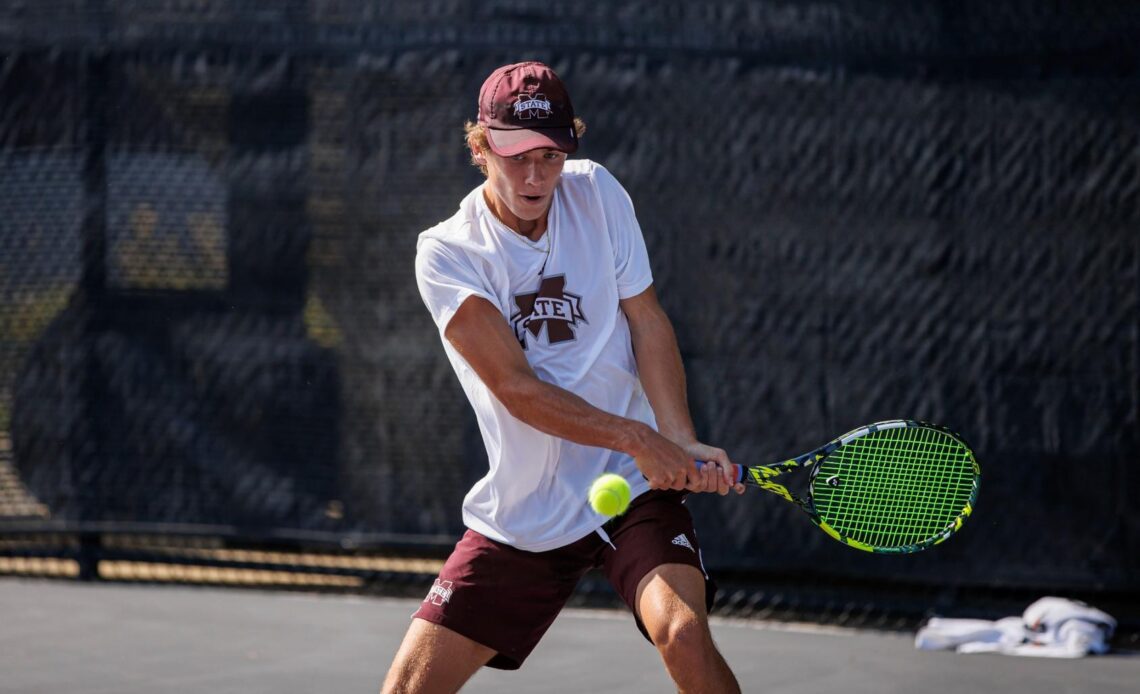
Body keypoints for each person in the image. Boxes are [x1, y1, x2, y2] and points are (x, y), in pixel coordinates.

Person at [383, 61, 744, 694]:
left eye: (549, 155)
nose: (533, 174)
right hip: (528, 508)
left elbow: (646, 319)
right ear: (481, 147)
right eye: (515, 154)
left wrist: (678, 438)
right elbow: (517, 390)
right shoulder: (448, 252)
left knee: (684, 633)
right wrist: (641, 437)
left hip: (631, 491)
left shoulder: (598, 192)